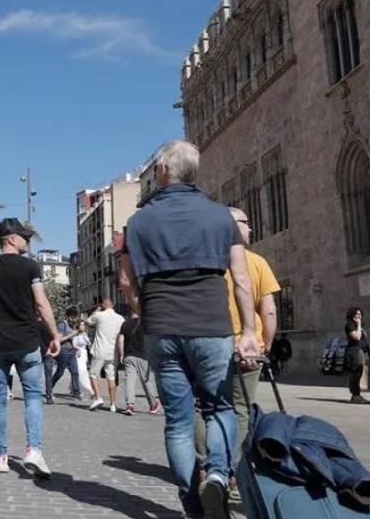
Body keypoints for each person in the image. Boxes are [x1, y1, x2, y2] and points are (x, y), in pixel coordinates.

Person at [119, 140, 259, 519]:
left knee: (178, 421)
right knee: (220, 408)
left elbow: (127, 282)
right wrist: (248, 331)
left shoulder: (139, 222)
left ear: (163, 171)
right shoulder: (220, 217)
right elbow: (242, 278)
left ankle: (191, 503)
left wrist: (141, 311)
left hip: (162, 327)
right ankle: (217, 473)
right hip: (212, 326)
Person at [0, 218, 61, 479]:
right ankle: (33, 451)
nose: (28, 241)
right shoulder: (29, 266)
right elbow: (41, 303)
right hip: (26, 342)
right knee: (33, 396)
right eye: (25, 237)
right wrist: (55, 334)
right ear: (12, 238)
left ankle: (0, 457)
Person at [224, 207, 280, 450]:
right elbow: (268, 309)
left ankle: (207, 468)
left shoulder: (208, 261)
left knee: (209, 406)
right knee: (241, 407)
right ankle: (235, 469)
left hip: (212, 345)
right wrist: (265, 344)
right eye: (246, 222)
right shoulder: (256, 262)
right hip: (248, 348)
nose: (251, 228)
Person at [118, 309, 161, 416]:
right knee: (146, 381)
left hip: (129, 356)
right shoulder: (146, 324)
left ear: (130, 313)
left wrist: (121, 354)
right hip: (143, 356)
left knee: (130, 381)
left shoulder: (125, 324)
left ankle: (130, 405)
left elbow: (120, 340)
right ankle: (153, 404)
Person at [85, 297, 124, 412]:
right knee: (111, 377)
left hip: (100, 350)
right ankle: (112, 404)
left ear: (103, 304)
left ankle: (98, 397)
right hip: (113, 352)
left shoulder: (99, 315)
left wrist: (97, 310)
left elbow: (87, 322)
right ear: (113, 305)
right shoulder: (120, 318)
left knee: (93, 374)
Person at [49, 306, 82, 400]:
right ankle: (49, 388)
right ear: (70, 316)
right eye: (75, 317)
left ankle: (76, 392)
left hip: (71, 351)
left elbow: (70, 340)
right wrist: (72, 334)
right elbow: (59, 339)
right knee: (60, 372)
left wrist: (75, 347)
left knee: (75, 372)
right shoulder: (62, 325)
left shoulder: (72, 326)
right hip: (63, 351)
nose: (76, 319)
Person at [344, 307, 370, 404]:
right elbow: (357, 337)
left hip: (360, 352)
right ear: (352, 315)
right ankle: (355, 395)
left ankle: (357, 395)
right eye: (356, 314)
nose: (359, 316)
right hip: (354, 352)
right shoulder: (350, 325)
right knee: (355, 374)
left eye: (360, 314)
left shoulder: (358, 325)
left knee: (359, 374)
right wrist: (359, 324)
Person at [73, 321, 94, 399]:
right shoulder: (75, 334)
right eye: (81, 325)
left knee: (82, 371)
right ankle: (90, 390)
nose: (83, 326)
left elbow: (89, 344)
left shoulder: (85, 334)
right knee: (81, 372)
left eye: (84, 325)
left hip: (84, 355)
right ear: (78, 326)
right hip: (77, 354)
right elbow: (74, 344)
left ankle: (75, 389)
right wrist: (77, 349)